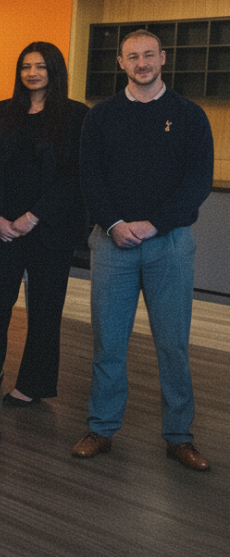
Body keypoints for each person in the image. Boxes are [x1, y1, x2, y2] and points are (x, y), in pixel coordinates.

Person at [73, 29, 214, 471]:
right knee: (107, 343)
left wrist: (154, 224)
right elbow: (88, 177)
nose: (142, 63)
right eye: (132, 56)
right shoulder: (101, 116)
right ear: (120, 63)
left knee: (173, 344)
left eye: (149, 55)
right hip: (112, 243)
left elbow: (197, 182)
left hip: (169, 243)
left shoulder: (189, 116)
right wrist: (114, 224)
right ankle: (101, 427)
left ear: (163, 58)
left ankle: (179, 435)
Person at [0, 43, 89, 407]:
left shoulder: (75, 115)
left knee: (44, 310)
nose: (32, 73)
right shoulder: (1, 111)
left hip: (49, 228)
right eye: (25, 66)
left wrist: (33, 216)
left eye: (40, 66)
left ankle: (32, 384)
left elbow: (76, 176)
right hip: (3, 229)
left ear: (54, 70)